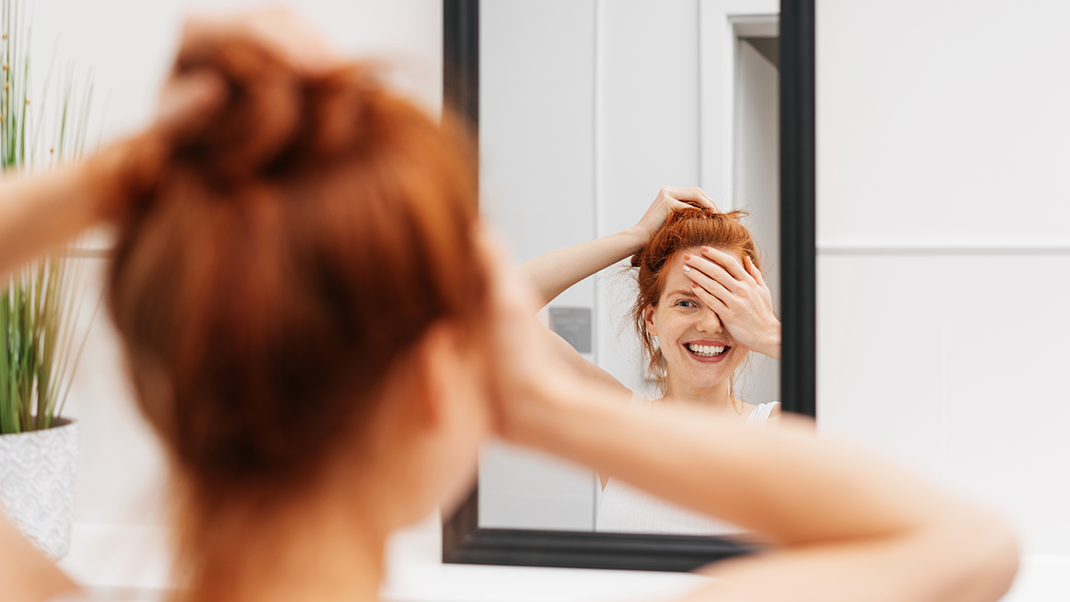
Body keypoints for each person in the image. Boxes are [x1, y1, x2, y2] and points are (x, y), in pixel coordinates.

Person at [0, 9, 1018, 602]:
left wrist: (131, 170)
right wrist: (551, 403)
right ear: (452, 387)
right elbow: (970, 542)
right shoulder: (580, 404)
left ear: (159, 374)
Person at [518, 194, 780, 533]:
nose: (711, 325)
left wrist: (770, 333)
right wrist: (634, 236)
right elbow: (486, 307)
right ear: (651, 318)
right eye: (686, 303)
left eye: (728, 304)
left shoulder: (780, 429)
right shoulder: (617, 423)